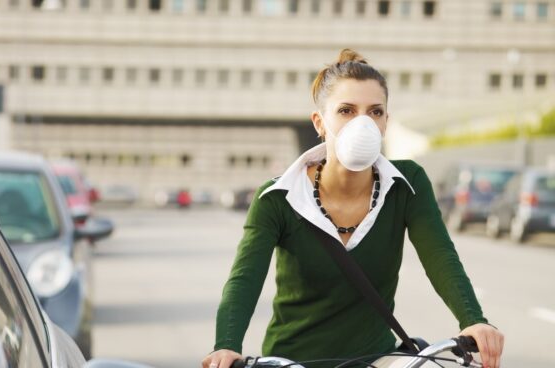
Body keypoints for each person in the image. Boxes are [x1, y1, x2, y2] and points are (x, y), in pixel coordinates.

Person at [202, 49, 504, 368]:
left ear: (386, 121)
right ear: (320, 122)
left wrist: (474, 319)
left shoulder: (407, 183)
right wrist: (226, 346)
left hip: (378, 358)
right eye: (346, 110)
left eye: (375, 112)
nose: (363, 123)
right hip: (291, 360)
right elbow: (245, 279)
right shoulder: (278, 198)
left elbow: (440, 255)